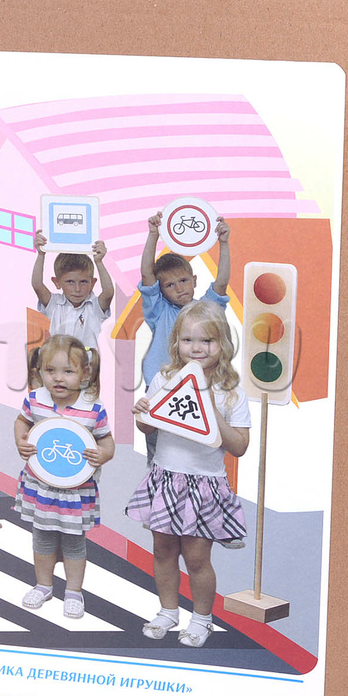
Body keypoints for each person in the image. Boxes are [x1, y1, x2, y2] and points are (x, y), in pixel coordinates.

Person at [125, 300, 251, 648]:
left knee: (197, 559)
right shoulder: (165, 379)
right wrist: (142, 413)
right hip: (166, 478)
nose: (197, 348)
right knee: (163, 551)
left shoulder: (232, 393)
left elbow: (240, 446)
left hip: (204, 486)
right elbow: (148, 427)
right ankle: (168, 611)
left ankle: (202, 619)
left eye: (207, 340)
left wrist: (211, 410)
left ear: (223, 344)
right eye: (188, 340)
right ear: (176, 343)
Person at [15, 335, 114, 618]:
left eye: (68, 371)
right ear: (40, 371)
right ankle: (43, 585)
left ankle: (73, 591)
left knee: (73, 542)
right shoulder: (35, 400)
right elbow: (21, 421)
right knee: (42, 537)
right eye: (50, 371)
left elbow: (107, 441)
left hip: (76, 491)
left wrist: (104, 454)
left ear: (84, 373)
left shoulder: (93, 408)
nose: (58, 378)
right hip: (41, 486)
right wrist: (20, 440)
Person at [137, 211, 231, 459]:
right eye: (170, 285)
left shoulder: (207, 309)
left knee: (194, 446)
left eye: (183, 281)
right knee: (158, 449)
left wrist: (224, 243)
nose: (179, 289)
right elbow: (146, 275)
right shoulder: (159, 311)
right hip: (161, 386)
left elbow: (221, 283)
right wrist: (153, 235)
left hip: (199, 387)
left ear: (194, 280)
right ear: (161, 290)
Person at [31, 235, 114, 355]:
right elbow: (37, 285)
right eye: (70, 282)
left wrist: (99, 262)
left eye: (83, 282)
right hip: (58, 362)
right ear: (57, 282)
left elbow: (108, 292)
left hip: (86, 363)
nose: (77, 289)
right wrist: (41, 254)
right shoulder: (54, 304)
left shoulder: (95, 307)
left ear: (92, 283)